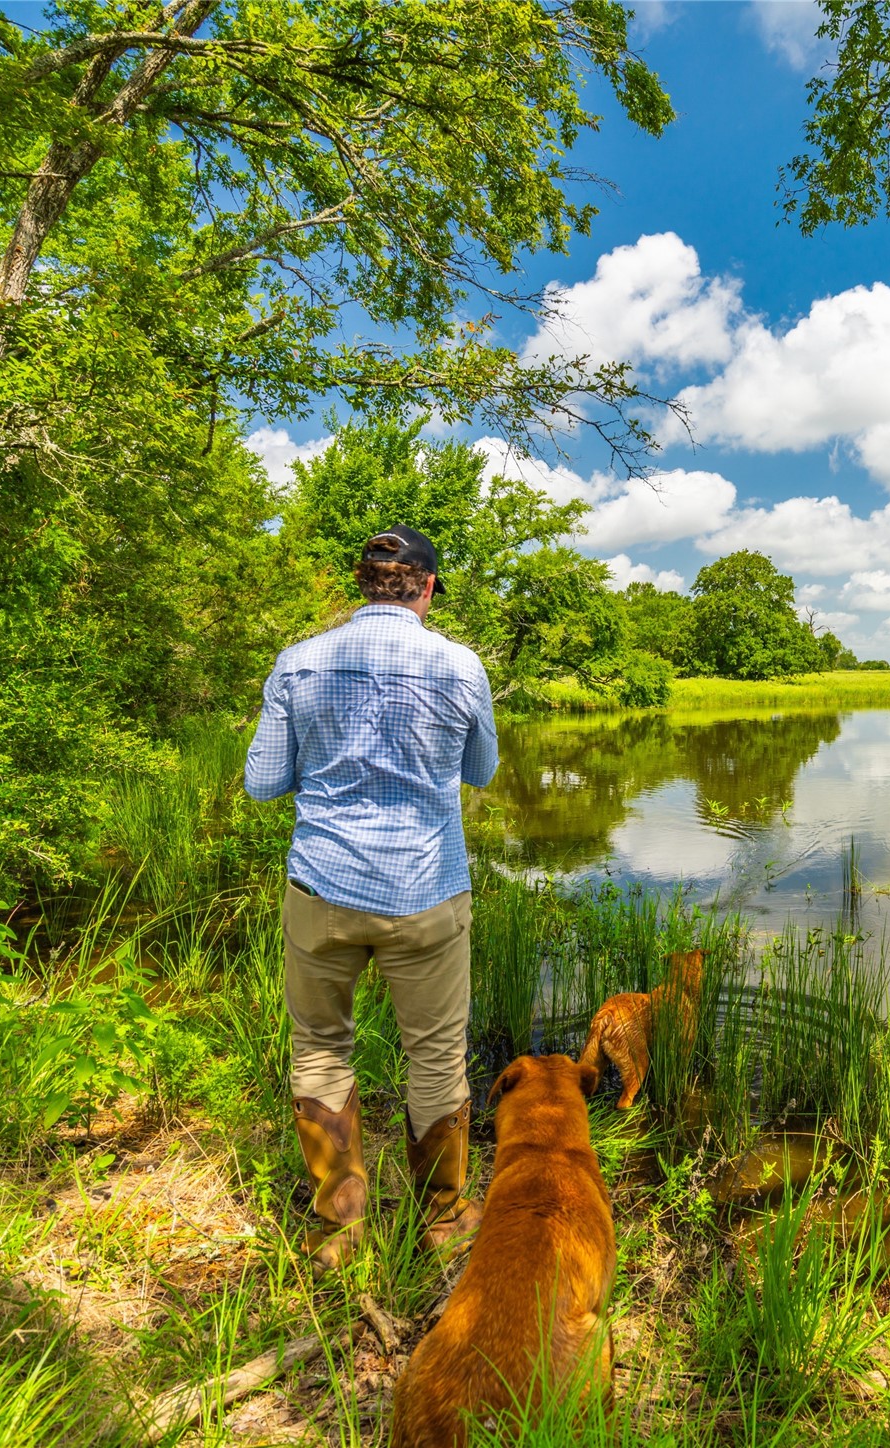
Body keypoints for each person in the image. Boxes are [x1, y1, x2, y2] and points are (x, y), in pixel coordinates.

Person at [244, 524, 498, 1271]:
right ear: (427, 587)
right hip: (427, 890)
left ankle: (341, 1227)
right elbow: (481, 771)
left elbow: (263, 782)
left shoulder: (299, 662)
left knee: (321, 1048)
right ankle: (443, 1219)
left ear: (362, 583)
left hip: (322, 885)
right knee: (436, 1055)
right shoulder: (459, 666)